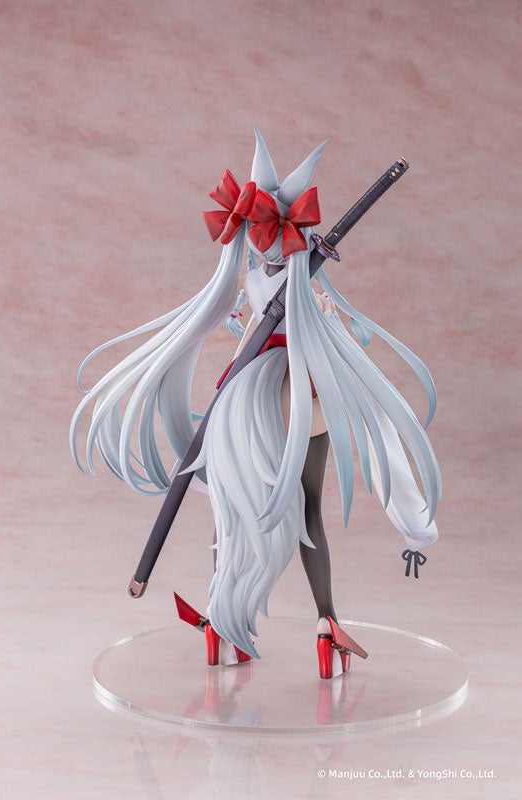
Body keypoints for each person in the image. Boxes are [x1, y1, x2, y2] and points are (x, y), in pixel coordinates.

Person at [70, 129, 441, 679]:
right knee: (305, 509)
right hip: (298, 397)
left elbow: (265, 332)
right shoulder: (298, 281)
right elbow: (313, 335)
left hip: (248, 394)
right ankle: (325, 623)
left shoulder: (260, 278)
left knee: (233, 505)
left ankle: (221, 625)